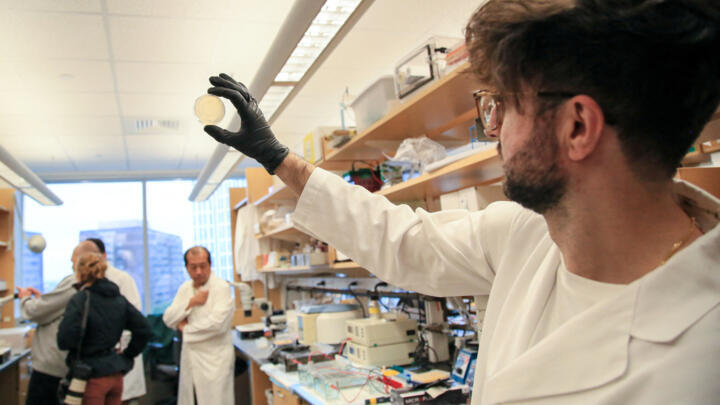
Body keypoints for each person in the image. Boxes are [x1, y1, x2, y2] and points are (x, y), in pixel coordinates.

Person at [202, 0, 720, 403]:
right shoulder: (525, 233)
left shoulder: (699, 360)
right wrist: (278, 158)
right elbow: (401, 240)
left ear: (577, 127)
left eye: (502, 105)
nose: (491, 127)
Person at [17, 241, 106, 405]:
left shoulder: (75, 282)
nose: (72, 266)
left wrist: (25, 299)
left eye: (73, 262)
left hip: (51, 367)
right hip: (74, 365)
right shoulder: (100, 284)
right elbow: (56, 309)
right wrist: (42, 300)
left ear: (81, 260)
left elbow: (35, 312)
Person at [57, 252, 150, 405]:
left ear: (79, 274)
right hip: (115, 375)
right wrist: (127, 356)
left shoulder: (80, 300)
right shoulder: (118, 299)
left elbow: (64, 341)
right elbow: (144, 329)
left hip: (90, 376)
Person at [162, 246, 234, 405]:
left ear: (210, 265)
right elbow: (168, 318)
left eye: (203, 266)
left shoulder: (221, 287)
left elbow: (217, 324)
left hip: (215, 360)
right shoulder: (185, 289)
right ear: (186, 268)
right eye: (193, 267)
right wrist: (191, 302)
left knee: (216, 400)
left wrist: (185, 329)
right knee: (190, 399)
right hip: (191, 357)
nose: (199, 272)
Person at [84, 238, 147, 404]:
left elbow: (137, 321)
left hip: (119, 357)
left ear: (104, 255)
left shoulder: (122, 279)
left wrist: (123, 352)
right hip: (101, 367)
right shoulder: (85, 284)